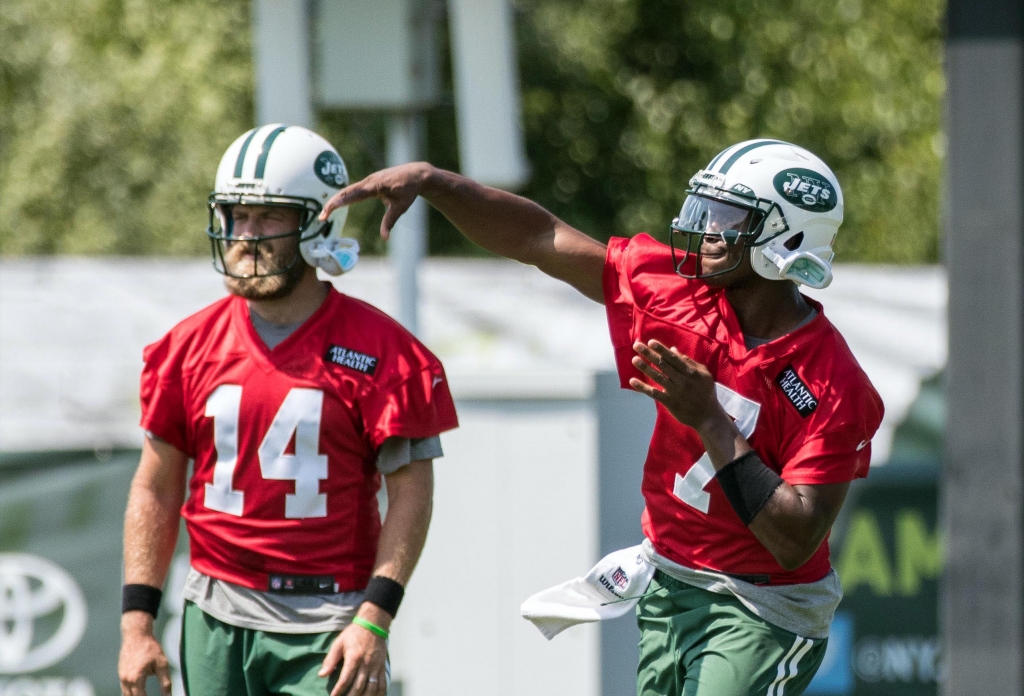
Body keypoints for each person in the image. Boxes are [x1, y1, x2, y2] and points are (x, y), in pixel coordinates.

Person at [321, 139, 883, 695]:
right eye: (708, 210)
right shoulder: (678, 295)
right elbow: (541, 238)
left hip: (761, 608)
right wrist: (434, 181)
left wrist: (710, 420)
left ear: (785, 240)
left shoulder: (834, 383)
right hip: (669, 578)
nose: (707, 229)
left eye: (730, 218)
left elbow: (795, 538)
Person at [117, 124, 458, 696]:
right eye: (236, 215)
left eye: (268, 217)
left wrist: (375, 617)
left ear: (319, 221)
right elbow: (155, 488)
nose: (245, 235)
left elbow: (412, 494)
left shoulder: (384, 353)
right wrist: (136, 623)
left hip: (329, 618)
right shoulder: (185, 348)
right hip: (215, 614)